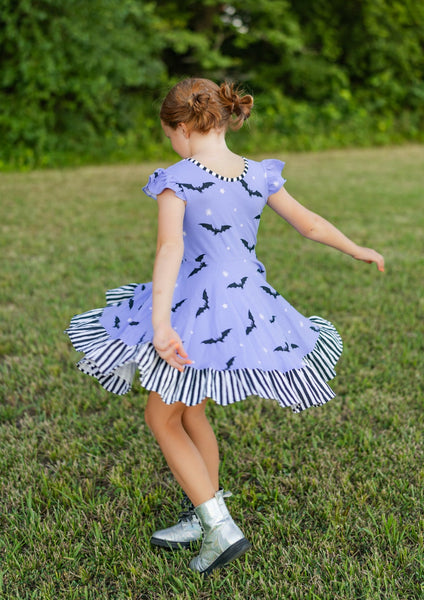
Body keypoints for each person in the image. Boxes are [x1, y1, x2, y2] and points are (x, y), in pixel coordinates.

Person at [66, 78, 384, 576]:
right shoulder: (257, 173)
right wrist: (357, 248)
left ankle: (218, 528)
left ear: (182, 127)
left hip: (196, 309)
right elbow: (311, 225)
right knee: (191, 412)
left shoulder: (179, 177)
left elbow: (170, 250)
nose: (169, 144)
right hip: (245, 309)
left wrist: (159, 322)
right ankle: (203, 511)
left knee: (161, 417)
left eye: (168, 134)